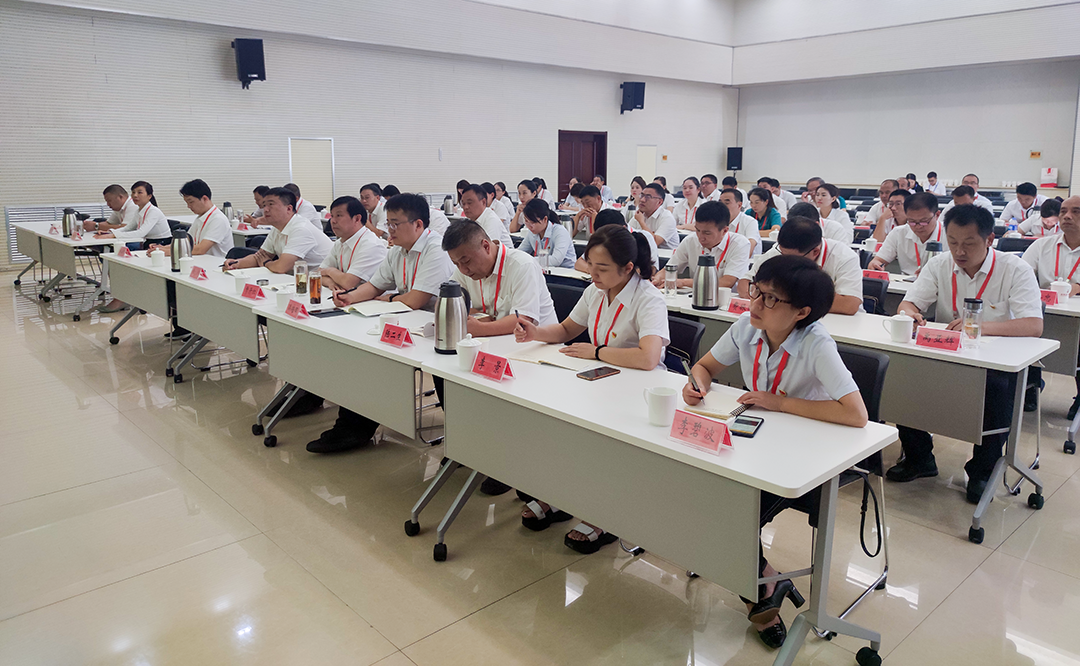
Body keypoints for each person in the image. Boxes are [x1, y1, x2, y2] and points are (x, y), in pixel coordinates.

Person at [684, 253, 867, 649]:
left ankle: (762, 599)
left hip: (801, 459)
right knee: (693, 492)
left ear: (801, 312)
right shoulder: (746, 327)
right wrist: (696, 385)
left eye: (769, 299)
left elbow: (855, 414)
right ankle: (768, 575)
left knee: (727, 514)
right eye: (756, 291)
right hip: (754, 443)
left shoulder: (817, 344)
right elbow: (705, 367)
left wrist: (778, 402)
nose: (754, 304)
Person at [515, 224, 669, 552]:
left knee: (602, 444)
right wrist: (534, 333)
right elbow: (567, 329)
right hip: (599, 379)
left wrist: (595, 351)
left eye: (602, 268)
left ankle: (605, 514)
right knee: (561, 426)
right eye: (590, 264)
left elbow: (648, 358)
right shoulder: (595, 292)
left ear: (627, 268)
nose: (593, 273)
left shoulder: (648, 298)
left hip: (635, 390)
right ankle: (561, 495)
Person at [887, 204, 1043, 502]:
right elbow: (908, 304)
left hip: (996, 361)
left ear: (989, 240)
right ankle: (920, 458)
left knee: (997, 392)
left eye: (969, 243)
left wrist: (977, 327)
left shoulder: (1015, 269)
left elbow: (1033, 325)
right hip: (947, 353)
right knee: (903, 377)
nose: (959, 251)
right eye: (953, 242)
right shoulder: (939, 265)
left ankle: (982, 471)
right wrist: (912, 316)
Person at [333, 193, 454, 312]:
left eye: (395, 224)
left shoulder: (437, 249)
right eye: (388, 224)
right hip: (407, 314)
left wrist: (392, 298)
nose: (390, 230)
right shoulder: (398, 249)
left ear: (418, 224)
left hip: (432, 319)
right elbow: (374, 286)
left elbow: (415, 301)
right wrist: (349, 298)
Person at [443, 219, 558, 336]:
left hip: (538, 346)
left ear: (486, 246)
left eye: (467, 261)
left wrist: (481, 328)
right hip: (498, 342)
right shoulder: (464, 269)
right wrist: (477, 315)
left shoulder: (522, 265)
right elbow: (446, 303)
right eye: (456, 264)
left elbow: (523, 321)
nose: (463, 270)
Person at [1023, 196, 1080, 418]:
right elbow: (1020, 274)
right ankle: (1030, 386)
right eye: (1064, 211)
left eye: (1076, 211)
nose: (1067, 216)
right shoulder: (1042, 245)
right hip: (1043, 312)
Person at [740, 217, 863, 315]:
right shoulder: (780, 251)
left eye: (793, 258)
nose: (786, 261)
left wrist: (784, 298)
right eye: (783, 254)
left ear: (815, 252)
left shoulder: (844, 257)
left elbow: (849, 304)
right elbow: (745, 283)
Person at [223, 187, 333, 273]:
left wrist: (266, 263)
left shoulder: (301, 229)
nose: (265, 209)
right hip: (297, 280)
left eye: (271, 204)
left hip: (323, 284)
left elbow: (281, 267)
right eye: (264, 205)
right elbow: (259, 256)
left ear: (289, 208)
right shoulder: (277, 228)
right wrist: (236, 263)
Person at [658, 200, 750, 289]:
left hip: (727, 299)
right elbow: (669, 269)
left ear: (725, 230)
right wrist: (658, 278)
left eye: (707, 233)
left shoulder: (740, 244)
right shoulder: (690, 240)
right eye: (697, 230)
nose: (700, 237)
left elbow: (726, 282)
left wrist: (683, 282)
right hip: (695, 296)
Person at [318, 196, 388, 291]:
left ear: (357, 219)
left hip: (373, 302)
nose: (333, 221)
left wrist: (330, 271)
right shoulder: (340, 242)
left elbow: (348, 283)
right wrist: (331, 283)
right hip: (350, 298)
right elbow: (317, 274)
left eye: (339, 216)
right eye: (332, 216)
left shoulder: (371, 245)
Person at [869, 191, 943, 276]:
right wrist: (875, 265)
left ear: (937, 215)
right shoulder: (898, 233)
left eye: (924, 221)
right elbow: (877, 260)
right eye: (912, 221)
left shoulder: (950, 234)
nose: (918, 226)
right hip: (907, 284)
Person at [155, 179, 233, 258]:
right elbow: (187, 242)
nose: (188, 206)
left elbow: (201, 249)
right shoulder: (200, 217)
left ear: (204, 199)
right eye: (187, 203)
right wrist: (160, 248)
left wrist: (168, 252)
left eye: (191, 202)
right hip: (201, 262)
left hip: (216, 266)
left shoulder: (218, 219)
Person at [577, 209, 658, 273]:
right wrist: (594, 270)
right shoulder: (602, 238)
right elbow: (579, 263)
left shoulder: (644, 238)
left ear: (623, 228)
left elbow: (652, 269)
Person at [93, 180, 171, 245]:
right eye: (133, 192)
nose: (135, 195)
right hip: (149, 242)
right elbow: (128, 228)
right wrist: (109, 232)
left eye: (139, 192)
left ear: (149, 196)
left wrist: (113, 235)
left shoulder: (153, 211)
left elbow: (141, 233)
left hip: (162, 243)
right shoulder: (138, 210)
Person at [519, 199, 575, 269]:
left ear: (545, 219)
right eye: (526, 221)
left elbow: (556, 260)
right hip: (544, 272)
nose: (529, 226)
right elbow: (520, 252)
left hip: (565, 274)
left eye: (533, 222)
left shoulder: (560, 231)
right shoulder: (532, 232)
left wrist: (529, 260)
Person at [631, 183, 680, 249]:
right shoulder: (640, 214)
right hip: (646, 254)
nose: (642, 200)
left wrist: (641, 222)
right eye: (642, 195)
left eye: (648, 197)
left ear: (659, 202)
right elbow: (627, 235)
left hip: (665, 257)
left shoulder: (667, 217)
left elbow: (654, 242)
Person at [720, 188, 762, 256]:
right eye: (720, 203)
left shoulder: (750, 222)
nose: (722, 206)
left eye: (727, 203)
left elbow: (750, 248)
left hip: (745, 263)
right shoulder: (718, 221)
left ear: (739, 205)